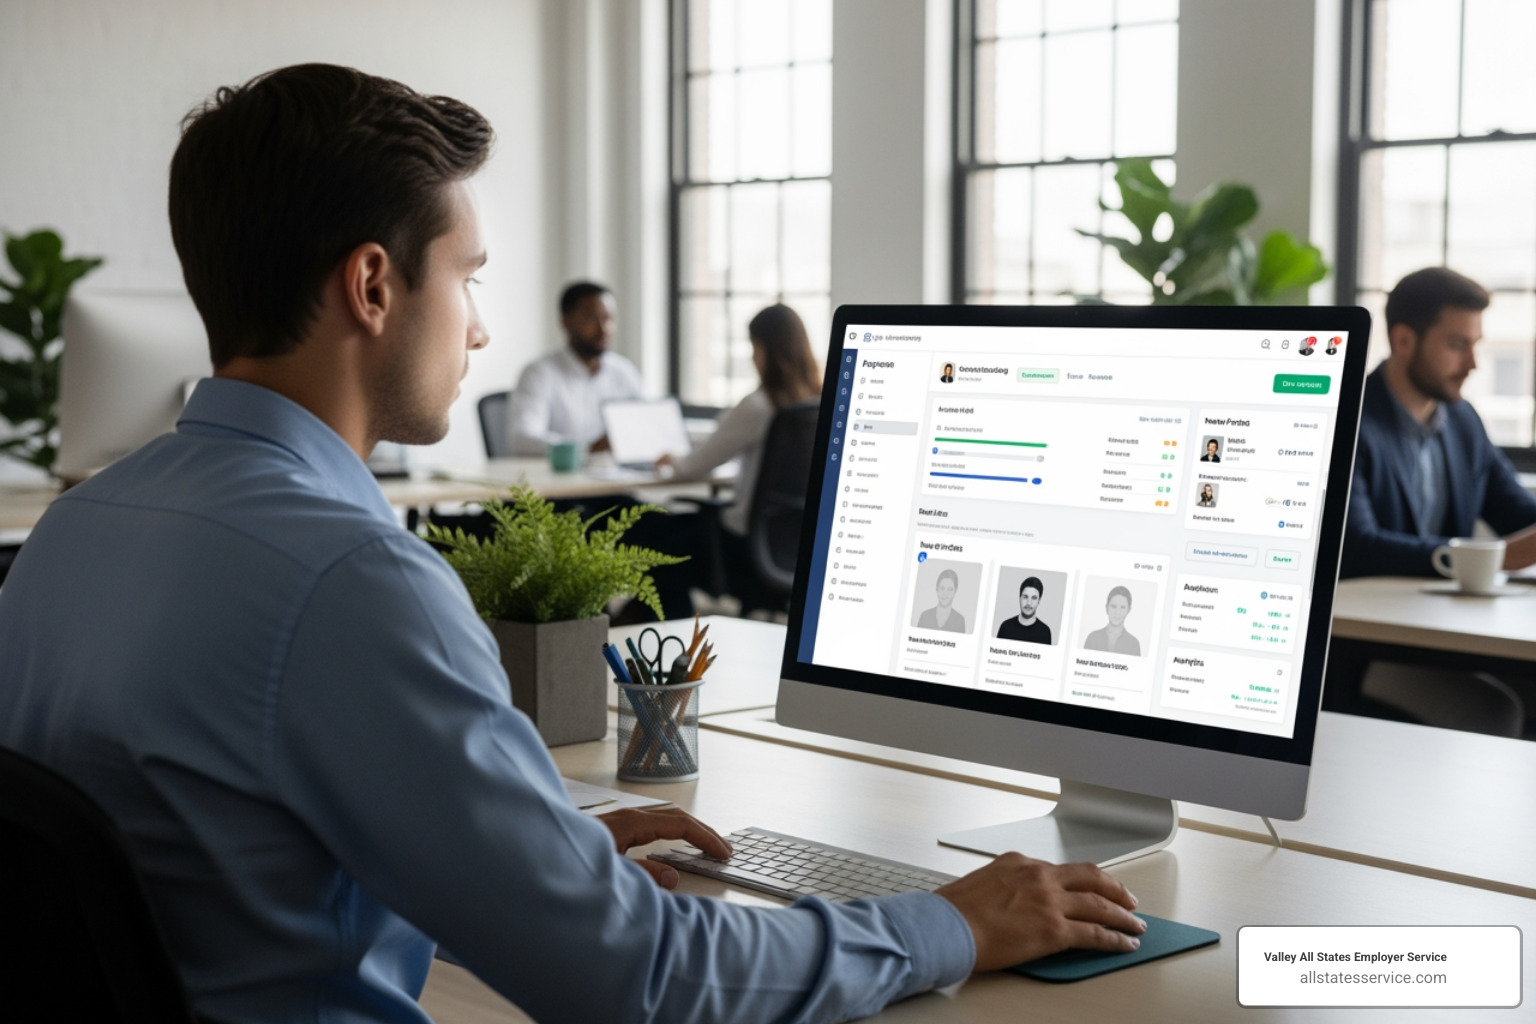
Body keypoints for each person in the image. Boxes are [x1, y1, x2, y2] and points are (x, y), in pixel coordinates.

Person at [0, 64, 1144, 1024]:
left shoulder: (74, 534)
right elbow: (636, 977)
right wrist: (947, 923)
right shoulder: (354, 581)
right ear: (373, 285)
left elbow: (229, 848)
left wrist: (535, 851)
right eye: (469, 277)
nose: (479, 327)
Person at [1342, 267, 1536, 578]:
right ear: (1404, 341)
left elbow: (1519, 515)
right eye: (1458, 345)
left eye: (1475, 344)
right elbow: (1357, 547)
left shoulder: (1464, 420)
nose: (1473, 363)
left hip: (1443, 607)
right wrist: (1493, 558)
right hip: (1370, 609)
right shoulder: (1348, 421)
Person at [656, 304, 820, 588]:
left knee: (654, 534)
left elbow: (692, 467)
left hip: (745, 549)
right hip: (798, 547)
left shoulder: (759, 405)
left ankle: (663, 613)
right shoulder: (819, 403)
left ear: (762, 349)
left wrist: (673, 461)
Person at [506, 280, 644, 455]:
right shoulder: (539, 373)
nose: (604, 329)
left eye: (608, 318)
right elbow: (522, 440)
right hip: (561, 472)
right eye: (592, 319)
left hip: (615, 471)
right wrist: (589, 448)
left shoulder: (624, 371)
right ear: (566, 322)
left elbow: (645, 426)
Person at [1083, 586, 1141, 656]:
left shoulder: (1133, 644)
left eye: (1122, 607)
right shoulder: (1092, 639)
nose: (1117, 612)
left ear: (1128, 610)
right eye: (1113, 606)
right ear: (1107, 608)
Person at [996, 576, 1052, 644]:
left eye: (1034, 598)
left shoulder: (1045, 632)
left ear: (1039, 601)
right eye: (1025, 597)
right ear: (1020, 598)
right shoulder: (1005, 627)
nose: (1029, 603)